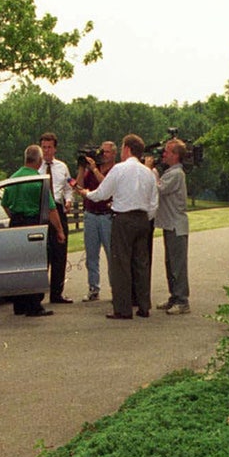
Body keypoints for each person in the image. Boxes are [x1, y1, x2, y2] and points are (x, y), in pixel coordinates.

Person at [76, 134, 158, 320]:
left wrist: (87, 194)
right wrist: (146, 217)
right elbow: (154, 203)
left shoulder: (120, 169)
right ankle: (144, 306)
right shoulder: (148, 172)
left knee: (120, 264)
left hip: (123, 218)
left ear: (127, 149)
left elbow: (102, 193)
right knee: (141, 264)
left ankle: (123, 308)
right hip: (142, 219)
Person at [1, 144, 65, 317]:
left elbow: (5, 204)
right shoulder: (39, 180)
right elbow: (51, 209)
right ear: (38, 161)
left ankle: (19, 304)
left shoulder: (13, 178)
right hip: (33, 222)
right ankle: (34, 305)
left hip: (16, 223)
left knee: (18, 264)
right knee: (36, 263)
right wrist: (59, 230)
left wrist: (15, 215)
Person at [152, 138, 190, 314]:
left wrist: (150, 170)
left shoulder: (176, 174)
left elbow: (158, 188)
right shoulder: (171, 172)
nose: (163, 154)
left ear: (175, 155)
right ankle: (174, 296)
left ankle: (182, 300)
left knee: (177, 265)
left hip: (176, 226)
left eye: (167, 151)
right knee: (171, 263)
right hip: (170, 225)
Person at [75, 141, 116, 301]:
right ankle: (93, 287)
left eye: (106, 152)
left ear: (113, 154)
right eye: (102, 151)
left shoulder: (115, 170)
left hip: (107, 215)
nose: (103, 155)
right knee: (91, 255)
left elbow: (107, 186)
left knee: (111, 254)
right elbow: (79, 188)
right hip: (91, 214)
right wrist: (82, 168)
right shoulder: (92, 170)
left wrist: (94, 169)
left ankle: (115, 288)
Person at [39, 132, 74, 304]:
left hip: (58, 209)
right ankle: (38, 293)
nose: (46, 151)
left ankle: (57, 293)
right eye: (43, 147)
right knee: (42, 253)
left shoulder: (62, 167)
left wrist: (68, 200)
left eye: (49, 147)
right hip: (42, 211)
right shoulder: (36, 167)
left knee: (60, 253)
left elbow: (68, 187)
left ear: (55, 148)